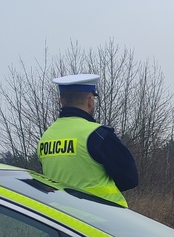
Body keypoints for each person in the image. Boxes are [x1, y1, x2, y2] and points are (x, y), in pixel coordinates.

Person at [37, 73, 139, 206]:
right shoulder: (98, 134)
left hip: (62, 219)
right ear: (90, 100)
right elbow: (130, 179)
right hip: (102, 218)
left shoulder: (46, 137)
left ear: (60, 99)